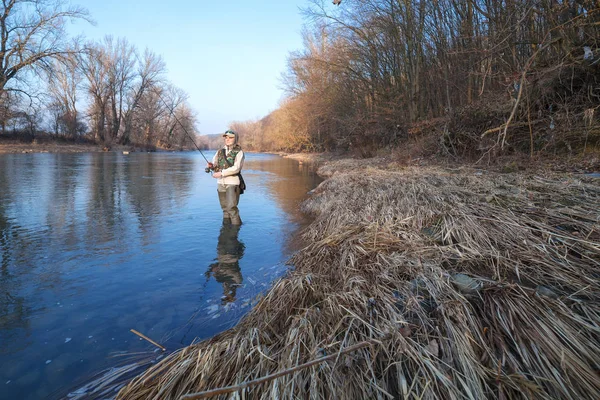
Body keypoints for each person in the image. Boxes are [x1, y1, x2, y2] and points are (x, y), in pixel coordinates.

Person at [207, 130, 245, 225]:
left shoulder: (239, 152)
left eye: (230, 137)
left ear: (235, 139)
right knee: (224, 209)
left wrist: (221, 173)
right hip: (220, 183)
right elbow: (215, 165)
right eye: (226, 137)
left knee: (231, 208)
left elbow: (236, 168)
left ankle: (235, 233)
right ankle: (226, 232)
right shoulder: (219, 151)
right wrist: (211, 166)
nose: (227, 139)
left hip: (233, 183)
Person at [205, 224, 245, 304]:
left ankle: (233, 222)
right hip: (228, 254)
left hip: (226, 254)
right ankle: (234, 222)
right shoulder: (236, 280)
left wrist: (212, 271)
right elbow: (216, 269)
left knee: (227, 231)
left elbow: (215, 268)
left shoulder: (234, 280)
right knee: (229, 232)